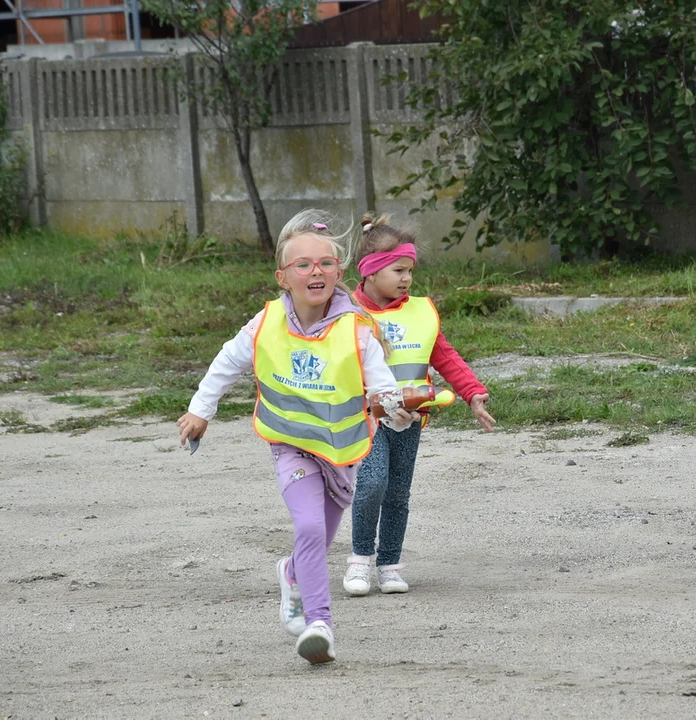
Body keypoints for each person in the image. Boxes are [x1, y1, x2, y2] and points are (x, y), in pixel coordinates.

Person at [176, 209, 417, 664]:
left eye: (325, 263)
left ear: (339, 272)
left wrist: (393, 407)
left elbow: (381, 386)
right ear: (283, 277)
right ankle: (319, 624)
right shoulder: (265, 323)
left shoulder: (356, 329)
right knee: (307, 526)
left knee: (316, 540)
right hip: (290, 445)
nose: (315, 271)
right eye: (302, 264)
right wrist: (199, 412)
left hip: (343, 453)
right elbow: (226, 363)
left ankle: (291, 574)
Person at [343, 214, 497, 596]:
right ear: (370, 271)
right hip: (367, 418)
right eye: (398, 270)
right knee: (372, 483)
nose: (406, 279)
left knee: (398, 493)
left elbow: (444, 356)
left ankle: (390, 565)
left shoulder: (420, 311)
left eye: (410, 270)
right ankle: (360, 561)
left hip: (411, 419)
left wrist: (472, 392)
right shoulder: (346, 314)